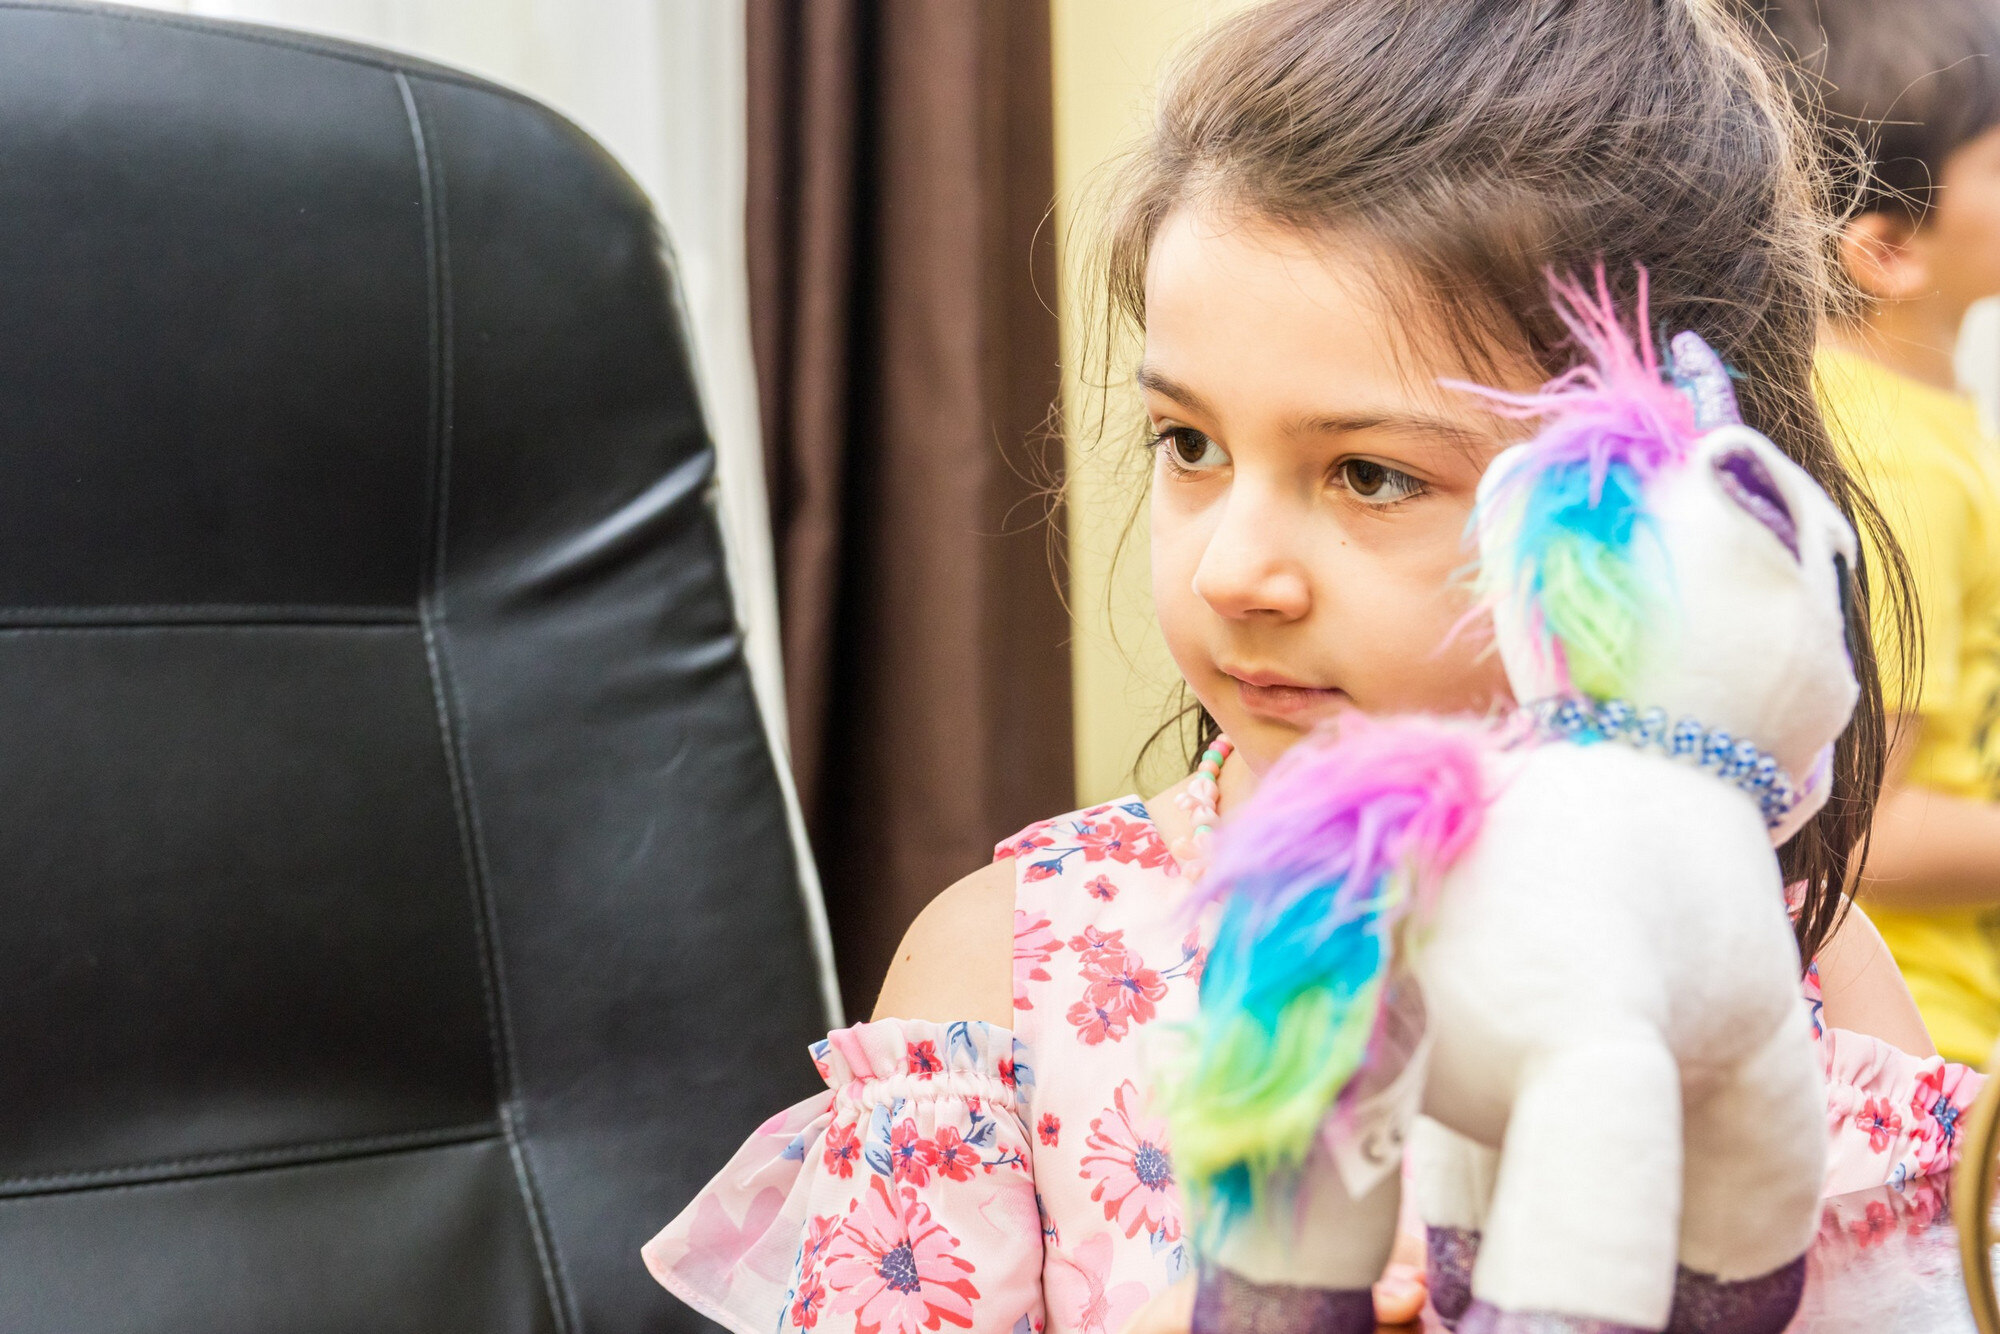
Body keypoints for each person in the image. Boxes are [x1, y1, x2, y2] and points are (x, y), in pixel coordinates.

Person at [645, 3, 1982, 1331]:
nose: (1232, 571)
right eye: (1189, 445)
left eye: (1369, 473)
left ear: (1655, 504)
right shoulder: (1000, 966)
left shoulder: (1778, 962)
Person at [1745, 0, 2000, 1072]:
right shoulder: (1894, 462)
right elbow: (1867, 826)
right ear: (1888, 251)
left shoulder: (1908, 417)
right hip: (1917, 1050)